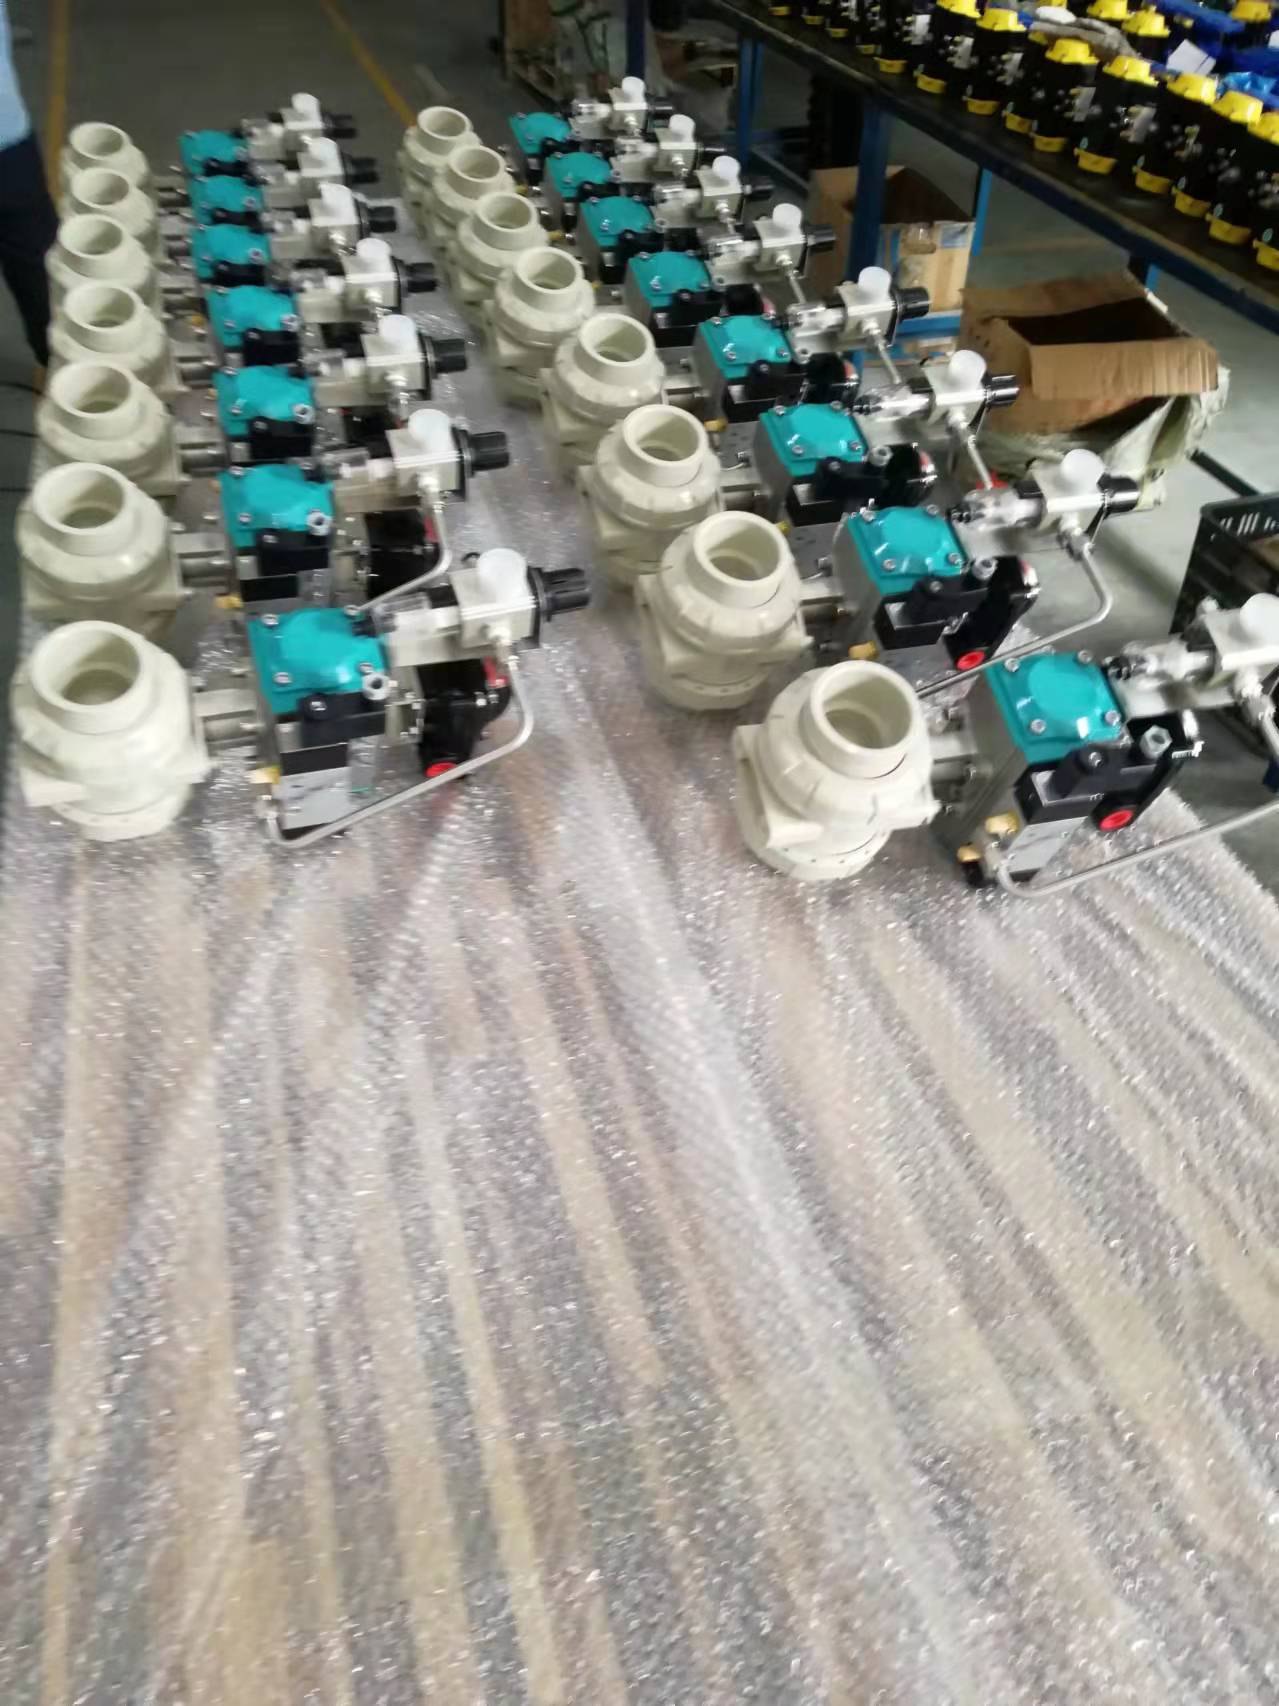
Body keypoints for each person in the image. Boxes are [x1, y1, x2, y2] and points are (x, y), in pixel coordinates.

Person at [0, 2, 57, 367]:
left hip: (8, 138)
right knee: (38, 265)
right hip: (10, 142)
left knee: (42, 272)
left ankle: (61, 364)